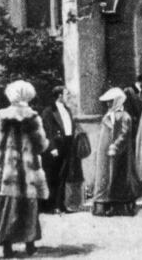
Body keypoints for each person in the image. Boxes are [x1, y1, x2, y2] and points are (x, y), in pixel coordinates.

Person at [0, 81, 49, 257]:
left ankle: (7, 247)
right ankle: (30, 245)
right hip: (29, 169)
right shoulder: (33, 117)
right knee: (30, 206)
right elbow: (41, 144)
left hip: (9, 169)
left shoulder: (3, 116)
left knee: (8, 207)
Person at [93, 87, 141, 216]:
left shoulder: (125, 117)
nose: (108, 104)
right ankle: (104, 205)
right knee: (106, 177)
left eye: (111, 101)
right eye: (108, 101)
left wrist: (115, 145)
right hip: (106, 153)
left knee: (122, 178)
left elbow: (124, 134)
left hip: (121, 153)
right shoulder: (108, 115)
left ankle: (122, 207)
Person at [40, 85, 83, 213]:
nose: (68, 97)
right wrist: (52, 147)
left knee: (64, 176)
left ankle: (62, 205)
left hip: (68, 145)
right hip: (56, 147)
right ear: (59, 96)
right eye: (67, 94)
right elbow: (47, 130)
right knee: (54, 176)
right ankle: (53, 206)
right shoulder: (48, 111)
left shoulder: (67, 109)